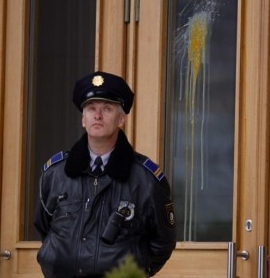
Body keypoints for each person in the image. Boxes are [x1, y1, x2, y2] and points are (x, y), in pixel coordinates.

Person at [35, 71, 176, 278]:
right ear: (83, 120)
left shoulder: (145, 179)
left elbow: (163, 241)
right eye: (91, 109)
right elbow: (44, 226)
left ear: (121, 120)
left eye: (107, 109)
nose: (98, 115)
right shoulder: (56, 173)